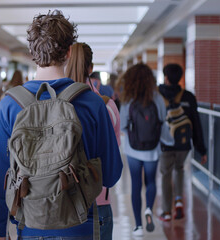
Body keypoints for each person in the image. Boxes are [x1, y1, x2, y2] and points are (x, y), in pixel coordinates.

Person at [0, 10, 123, 239]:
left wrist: (2, 227)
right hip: (81, 222)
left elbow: (0, 177)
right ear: (69, 51)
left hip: (30, 223)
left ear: (32, 51)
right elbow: (111, 175)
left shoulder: (9, 104)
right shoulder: (92, 102)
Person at [66, 42, 120, 240]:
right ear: (91, 68)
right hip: (98, 201)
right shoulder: (107, 106)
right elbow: (112, 168)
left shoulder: (51, 104)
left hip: (60, 200)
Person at [118, 63, 173, 237]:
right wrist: (169, 141)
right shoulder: (157, 97)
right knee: (150, 182)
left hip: (133, 150)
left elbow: (123, 125)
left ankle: (138, 226)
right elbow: (162, 123)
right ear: (150, 79)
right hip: (152, 150)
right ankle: (149, 208)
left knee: (135, 184)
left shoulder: (128, 99)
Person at [158, 63, 207, 221]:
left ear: (166, 77)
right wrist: (202, 149)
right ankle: (178, 201)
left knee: (166, 174)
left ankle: (166, 212)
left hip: (165, 144)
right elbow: (196, 123)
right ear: (179, 78)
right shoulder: (188, 96)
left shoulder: (158, 95)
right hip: (184, 144)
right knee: (179, 169)